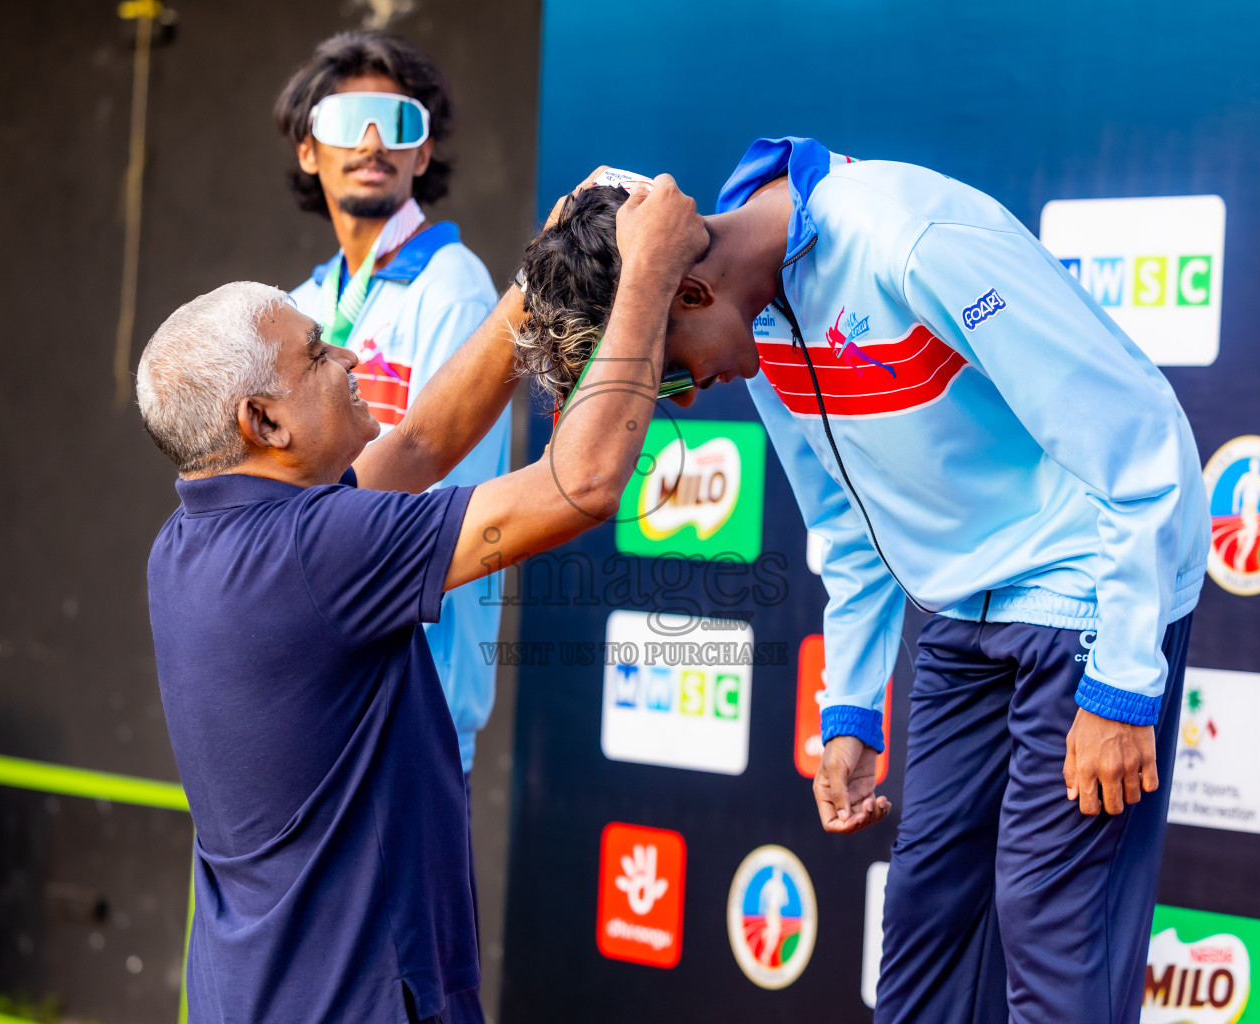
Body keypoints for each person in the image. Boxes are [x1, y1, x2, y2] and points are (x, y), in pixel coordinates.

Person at [516, 137, 1210, 1024]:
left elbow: (1139, 433)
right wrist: (849, 708)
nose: (691, 398)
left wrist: (1121, 680)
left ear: (687, 291)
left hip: (1091, 587)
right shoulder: (750, 309)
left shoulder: (910, 239)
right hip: (960, 609)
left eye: (675, 375)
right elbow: (849, 520)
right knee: (924, 930)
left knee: (1052, 930)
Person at [137, 177, 705, 1024]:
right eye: (319, 355)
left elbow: (422, 441)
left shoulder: (193, 543)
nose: (351, 359)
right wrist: (651, 270)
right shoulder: (315, 552)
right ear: (265, 421)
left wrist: (539, 277)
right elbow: (581, 484)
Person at [274, 30, 509, 784]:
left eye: (398, 121)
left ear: (424, 150)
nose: (373, 140)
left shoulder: (455, 286)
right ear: (309, 149)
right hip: (317, 693)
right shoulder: (299, 306)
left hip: (414, 702)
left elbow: (439, 512)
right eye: (347, 121)